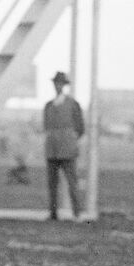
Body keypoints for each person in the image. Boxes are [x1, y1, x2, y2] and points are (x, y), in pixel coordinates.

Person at [43, 71, 85, 219]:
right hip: (52, 149)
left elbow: (80, 127)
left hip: (67, 149)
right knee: (52, 183)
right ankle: (53, 213)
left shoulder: (73, 104)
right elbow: (46, 126)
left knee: (72, 182)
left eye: (60, 83)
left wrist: (71, 140)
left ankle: (77, 213)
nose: (57, 86)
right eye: (56, 83)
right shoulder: (48, 105)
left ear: (64, 85)